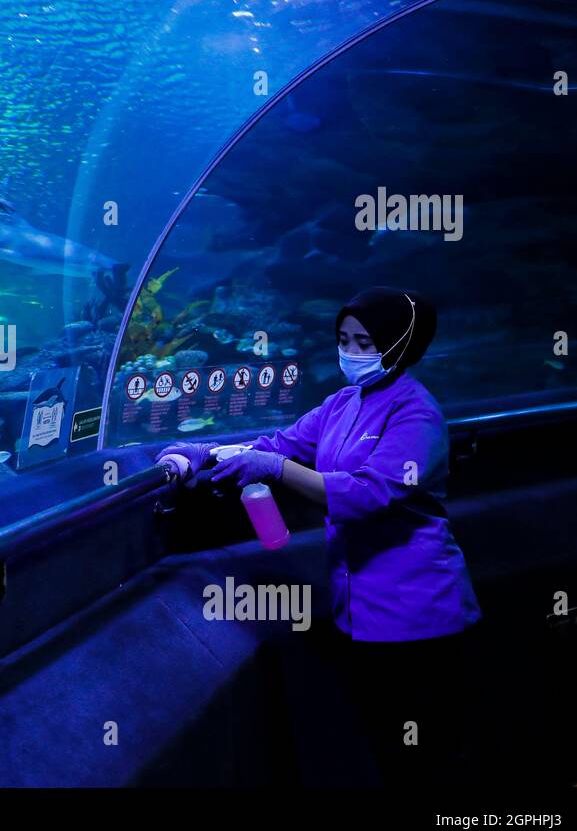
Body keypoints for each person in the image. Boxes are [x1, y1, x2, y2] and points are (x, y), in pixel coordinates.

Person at [158, 287, 481, 786]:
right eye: (344, 339)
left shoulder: (417, 415)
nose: (351, 353)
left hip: (418, 611)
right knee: (384, 747)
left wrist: (275, 469)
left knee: (427, 757)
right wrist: (203, 452)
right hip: (357, 608)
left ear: (400, 344)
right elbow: (277, 444)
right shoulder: (340, 403)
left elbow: (366, 494)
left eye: (365, 342)